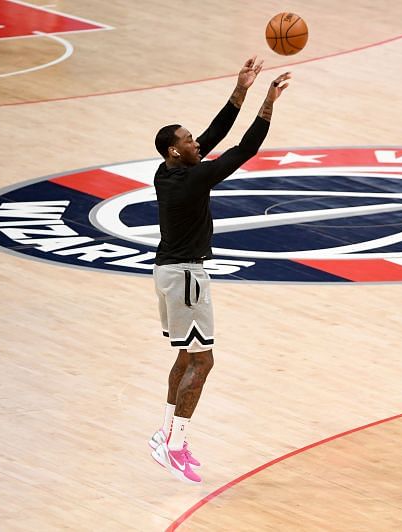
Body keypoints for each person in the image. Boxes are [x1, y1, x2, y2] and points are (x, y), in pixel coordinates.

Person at [147, 56, 291, 484]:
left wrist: (242, 87)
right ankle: (175, 444)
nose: (198, 144)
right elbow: (244, 148)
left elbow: (215, 133)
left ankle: (167, 434)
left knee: (186, 356)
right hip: (187, 277)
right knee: (203, 363)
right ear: (177, 150)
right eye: (190, 141)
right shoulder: (192, 180)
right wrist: (268, 101)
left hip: (170, 274)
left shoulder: (166, 171)